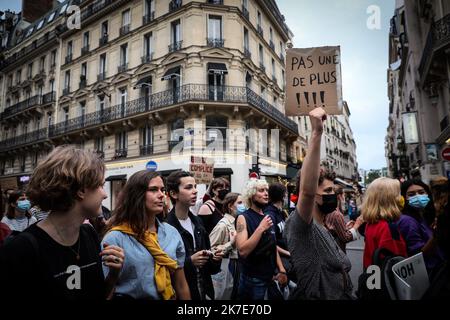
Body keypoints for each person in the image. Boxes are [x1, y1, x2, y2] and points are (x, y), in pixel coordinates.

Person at [0, 146, 124, 300]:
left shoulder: (89, 234)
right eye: (100, 185)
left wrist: (113, 276)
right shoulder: (21, 249)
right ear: (81, 190)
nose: (105, 195)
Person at [284, 107, 354, 300]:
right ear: (313, 195)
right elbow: (306, 191)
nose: (335, 196)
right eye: (328, 191)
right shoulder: (302, 227)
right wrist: (316, 133)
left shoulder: (323, 225)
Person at [102, 170, 190, 300]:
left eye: (162, 189)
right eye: (153, 190)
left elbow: (181, 285)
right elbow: (105, 291)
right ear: (137, 195)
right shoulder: (115, 237)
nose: (161, 195)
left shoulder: (171, 233)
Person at [165, 171, 222, 300]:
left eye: (195, 186)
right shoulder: (166, 227)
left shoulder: (198, 223)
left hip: (204, 291)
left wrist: (214, 257)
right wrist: (190, 262)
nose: (195, 191)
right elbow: (165, 270)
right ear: (174, 194)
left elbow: (210, 269)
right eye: (188, 187)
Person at [235, 178, 287, 300]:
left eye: (267, 190)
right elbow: (242, 251)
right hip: (253, 279)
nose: (266, 193)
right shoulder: (243, 217)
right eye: (261, 190)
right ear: (252, 195)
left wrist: (282, 270)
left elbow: (272, 245)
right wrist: (261, 228)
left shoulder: (266, 217)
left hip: (270, 277)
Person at [397, 179, 444, 274]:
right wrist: (438, 234)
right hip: (428, 274)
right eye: (411, 194)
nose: (418, 196)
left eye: (421, 192)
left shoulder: (423, 216)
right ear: (403, 198)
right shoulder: (407, 221)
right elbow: (417, 255)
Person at [361, 177, 408, 269]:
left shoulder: (371, 224)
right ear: (390, 199)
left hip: (372, 277)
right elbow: (396, 262)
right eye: (399, 194)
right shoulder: (387, 227)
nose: (401, 197)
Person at [209, 192, 244, 299]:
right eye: (240, 202)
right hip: (227, 266)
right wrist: (230, 244)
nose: (243, 206)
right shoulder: (222, 225)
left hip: (237, 266)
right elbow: (211, 250)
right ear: (230, 206)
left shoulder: (237, 222)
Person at [324, 185, 363, 253]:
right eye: (344, 194)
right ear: (339, 196)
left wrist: (346, 227)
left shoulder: (330, 210)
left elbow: (335, 230)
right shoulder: (336, 214)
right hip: (336, 252)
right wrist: (357, 225)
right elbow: (345, 238)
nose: (344, 197)